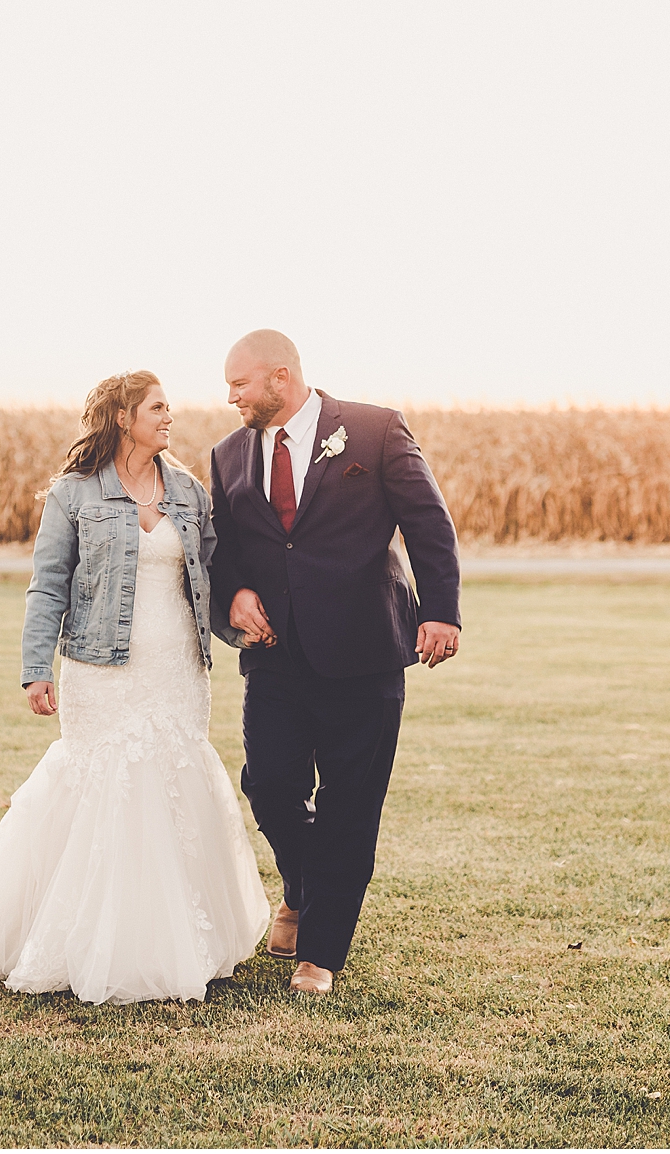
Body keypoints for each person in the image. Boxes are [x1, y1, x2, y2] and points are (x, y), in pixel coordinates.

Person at [0, 370, 270, 1004]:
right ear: (123, 417)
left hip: (175, 667)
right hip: (99, 665)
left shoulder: (190, 491)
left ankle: (174, 941)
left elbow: (214, 575)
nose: (170, 417)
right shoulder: (74, 495)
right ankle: (86, 938)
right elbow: (48, 582)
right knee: (103, 782)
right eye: (157, 408)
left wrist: (238, 624)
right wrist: (36, 667)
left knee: (170, 782)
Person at [209, 330, 461, 996]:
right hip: (275, 656)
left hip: (365, 650)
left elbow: (428, 522)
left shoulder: (375, 430)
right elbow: (223, 547)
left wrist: (441, 610)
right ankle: (301, 887)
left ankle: (318, 953)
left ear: (282, 377)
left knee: (351, 803)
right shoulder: (228, 453)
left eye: (239, 382)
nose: (230, 395)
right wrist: (233, 595)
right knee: (267, 783)